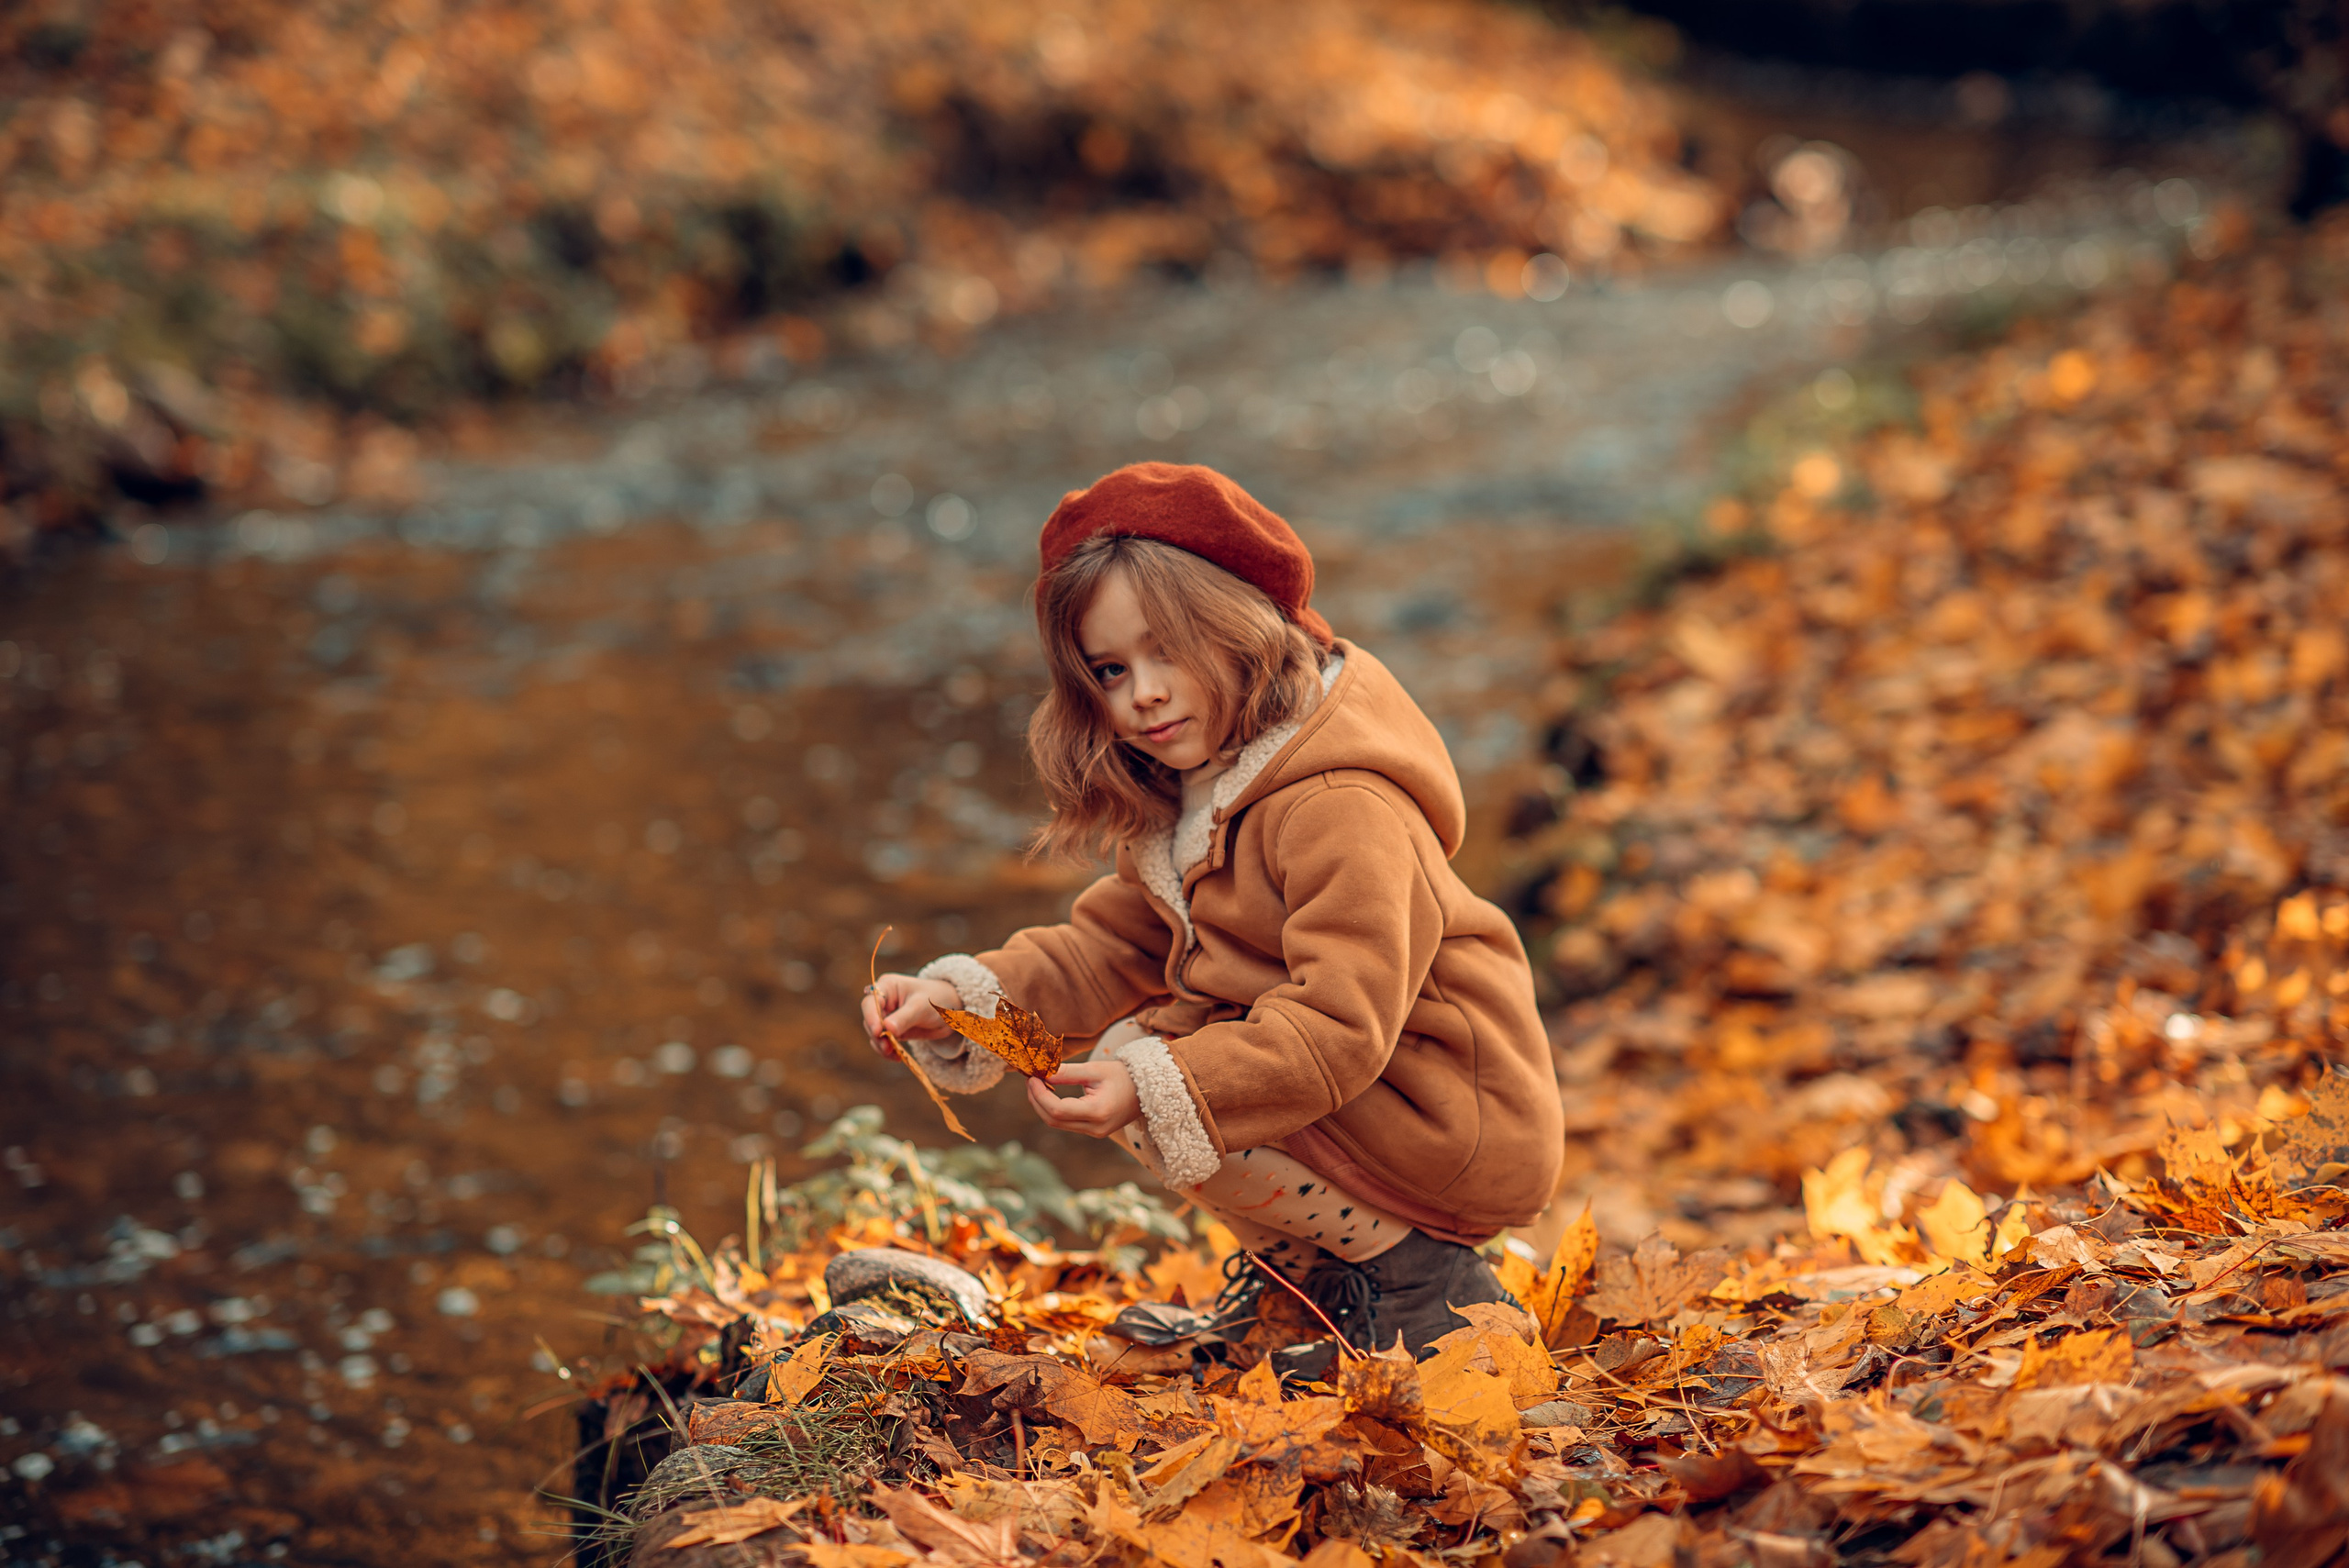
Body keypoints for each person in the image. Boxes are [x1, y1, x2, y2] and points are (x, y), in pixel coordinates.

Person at [860, 462, 1562, 1362]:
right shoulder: (1198, 793)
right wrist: (961, 1001)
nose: (1140, 693)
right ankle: (1307, 1290)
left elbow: (1343, 1023)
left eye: (1167, 652)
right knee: (1144, 1062)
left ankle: (1425, 1283)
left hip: (1446, 1112)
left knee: (1147, 1074)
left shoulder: (1337, 803)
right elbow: (1107, 949)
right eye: (1109, 669)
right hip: (1369, 1103)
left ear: (1240, 630)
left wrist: (1163, 1083)